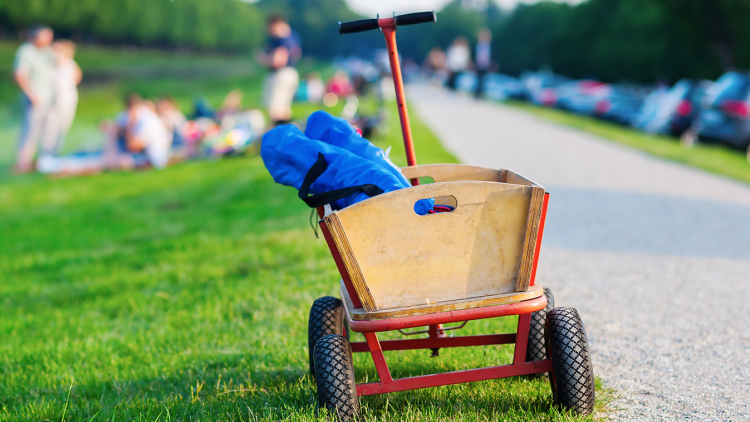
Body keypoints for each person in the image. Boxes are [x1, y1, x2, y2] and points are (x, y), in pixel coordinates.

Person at [13, 24, 56, 173]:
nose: (49, 39)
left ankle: (44, 163)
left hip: (50, 99)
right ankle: (23, 164)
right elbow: (20, 74)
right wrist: (32, 95)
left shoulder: (48, 52)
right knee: (30, 132)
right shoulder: (26, 51)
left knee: (49, 132)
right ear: (36, 36)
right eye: (46, 36)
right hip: (35, 99)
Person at [102, 93, 171, 170]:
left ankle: (107, 161)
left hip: (154, 160)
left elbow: (132, 146)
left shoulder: (146, 121)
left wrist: (129, 125)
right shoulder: (148, 117)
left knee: (122, 160)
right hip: (158, 157)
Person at [257, 15, 301, 126]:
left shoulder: (280, 39)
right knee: (284, 110)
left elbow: (278, 60)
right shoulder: (293, 36)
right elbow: (297, 55)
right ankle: (289, 136)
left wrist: (263, 58)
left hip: (280, 75)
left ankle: (279, 139)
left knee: (276, 111)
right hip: (291, 73)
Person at [42, 39, 82, 158]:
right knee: (51, 129)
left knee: (62, 129)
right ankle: (47, 155)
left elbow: (78, 76)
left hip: (68, 100)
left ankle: (54, 154)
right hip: (54, 101)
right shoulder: (52, 62)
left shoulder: (70, 63)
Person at [474, 28, 492, 99]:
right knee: (477, 78)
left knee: (484, 79)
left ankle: (481, 93)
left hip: (486, 64)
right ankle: (477, 92)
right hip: (478, 64)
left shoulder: (490, 46)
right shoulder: (477, 45)